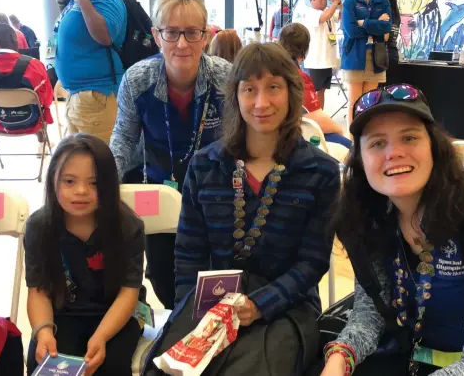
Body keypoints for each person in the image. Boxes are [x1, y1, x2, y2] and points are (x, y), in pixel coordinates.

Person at [144, 42, 341, 376]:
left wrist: (260, 305)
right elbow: (189, 252)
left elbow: (312, 262)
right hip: (211, 303)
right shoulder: (205, 165)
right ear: (235, 95)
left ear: (292, 93)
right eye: (249, 89)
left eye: (273, 88)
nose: (261, 103)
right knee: (163, 369)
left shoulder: (319, 171)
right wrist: (188, 315)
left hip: (287, 307)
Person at [320, 84, 464, 376]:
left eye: (409, 137)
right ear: (360, 160)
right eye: (377, 143)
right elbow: (371, 314)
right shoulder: (369, 216)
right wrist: (339, 358)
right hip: (412, 355)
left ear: (434, 146)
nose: (394, 153)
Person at [109, 0, 232, 309]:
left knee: (214, 277)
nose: (181, 44)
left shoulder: (226, 79)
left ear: (206, 36)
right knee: (164, 279)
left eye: (192, 33)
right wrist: (105, 181)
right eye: (172, 32)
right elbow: (123, 137)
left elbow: (240, 141)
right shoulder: (138, 79)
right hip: (157, 184)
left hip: (214, 192)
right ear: (156, 35)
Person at [24, 133, 146, 376]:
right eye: (69, 181)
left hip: (116, 314)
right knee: (45, 363)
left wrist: (101, 336)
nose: (81, 191)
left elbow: (128, 292)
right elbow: (37, 291)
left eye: (94, 183)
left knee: (109, 364)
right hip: (62, 313)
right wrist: (44, 331)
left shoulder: (128, 226)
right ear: (53, 181)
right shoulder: (39, 226)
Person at [54, 0, 126, 144]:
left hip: (97, 95)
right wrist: (63, 4)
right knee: (81, 165)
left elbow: (106, 36)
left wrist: (83, 2)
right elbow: (74, 32)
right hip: (78, 96)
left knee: (101, 166)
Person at [277, 22, 350, 148]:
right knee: (351, 148)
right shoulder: (297, 77)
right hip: (290, 136)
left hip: (273, 133)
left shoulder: (271, 68)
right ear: (305, 49)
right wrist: (338, 129)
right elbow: (314, 119)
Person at [341, 0, 391, 128]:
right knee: (354, 104)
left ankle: (364, 140)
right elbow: (352, 31)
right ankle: (352, 143)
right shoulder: (350, 2)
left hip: (375, 56)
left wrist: (363, 23)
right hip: (354, 56)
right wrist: (376, 24)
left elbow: (386, 28)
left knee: (368, 105)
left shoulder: (383, 2)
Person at [0, 23, 53, 153]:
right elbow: (47, 100)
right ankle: (41, 143)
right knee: (42, 107)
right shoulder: (34, 65)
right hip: (32, 123)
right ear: (14, 38)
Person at [303, 0, 341, 110]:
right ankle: (312, 116)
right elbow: (324, 17)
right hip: (316, 62)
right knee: (313, 92)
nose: (325, 0)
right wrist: (334, 3)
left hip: (328, 61)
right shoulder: (310, 13)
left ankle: (320, 115)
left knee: (322, 92)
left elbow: (340, 15)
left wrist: (340, 4)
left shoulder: (328, 11)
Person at [379, 0, 401, 86]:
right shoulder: (396, 13)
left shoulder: (385, 13)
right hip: (393, 54)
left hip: (383, 54)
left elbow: (385, 37)